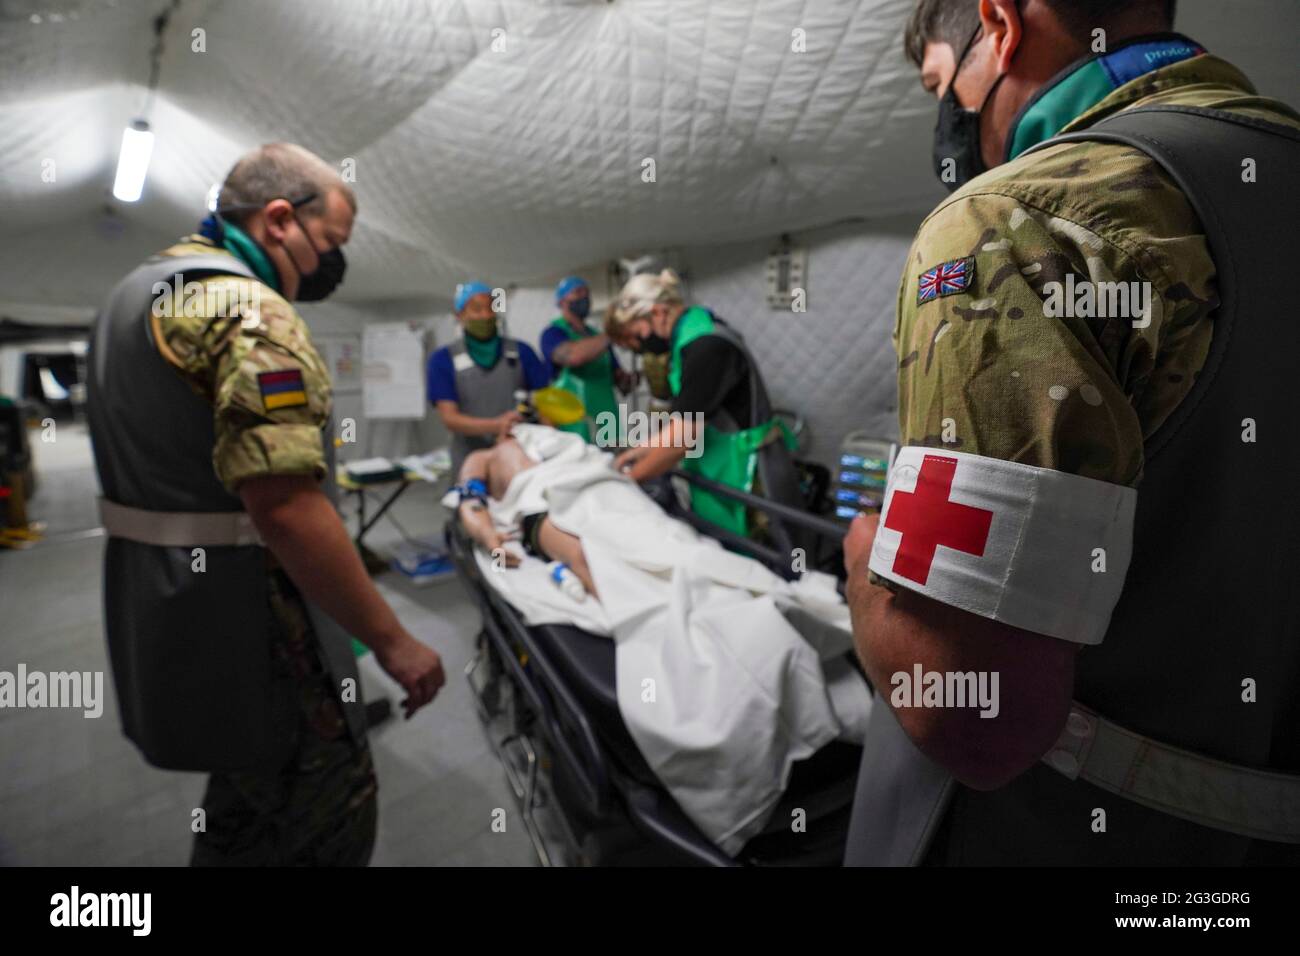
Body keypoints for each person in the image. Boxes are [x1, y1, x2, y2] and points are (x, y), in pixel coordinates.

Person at [842, 0, 1300, 865]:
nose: (949, 116)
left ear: (1002, 25)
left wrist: (864, 569)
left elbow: (970, 711)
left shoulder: (1015, 225)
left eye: (943, 85)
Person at [86, 142, 446, 866]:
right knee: (327, 812)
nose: (328, 265)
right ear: (280, 219)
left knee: (246, 799)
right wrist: (393, 642)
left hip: (165, 602)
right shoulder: (251, 312)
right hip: (261, 615)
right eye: (330, 243)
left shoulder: (135, 296)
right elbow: (283, 505)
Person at [607, 270, 807, 553]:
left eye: (639, 335)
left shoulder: (706, 347)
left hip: (748, 469)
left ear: (659, 313)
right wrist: (636, 453)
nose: (642, 346)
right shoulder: (692, 333)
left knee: (763, 553)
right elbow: (685, 418)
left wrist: (629, 480)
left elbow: (683, 438)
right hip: (721, 462)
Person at [453, 434, 599, 598]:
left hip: (591, 489)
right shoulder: (483, 456)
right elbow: (470, 502)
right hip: (538, 505)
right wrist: (492, 543)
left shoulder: (553, 436)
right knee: (587, 557)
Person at [426, 281, 550, 473]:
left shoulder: (521, 352)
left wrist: (551, 444)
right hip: (469, 460)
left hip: (520, 455)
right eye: (476, 309)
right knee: (473, 500)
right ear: (460, 315)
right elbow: (450, 418)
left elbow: (545, 404)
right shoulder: (443, 359)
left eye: (491, 308)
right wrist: (496, 425)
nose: (485, 315)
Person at [539, 276, 634, 444]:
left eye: (587, 293)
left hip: (607, 424)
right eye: (577, 292)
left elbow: (620, 382)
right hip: (573, 427)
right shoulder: (553, 333)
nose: (584, 297)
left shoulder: (599, 338)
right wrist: (612, 333)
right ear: (562, 301)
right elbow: (574, 357)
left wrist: (631, 379)